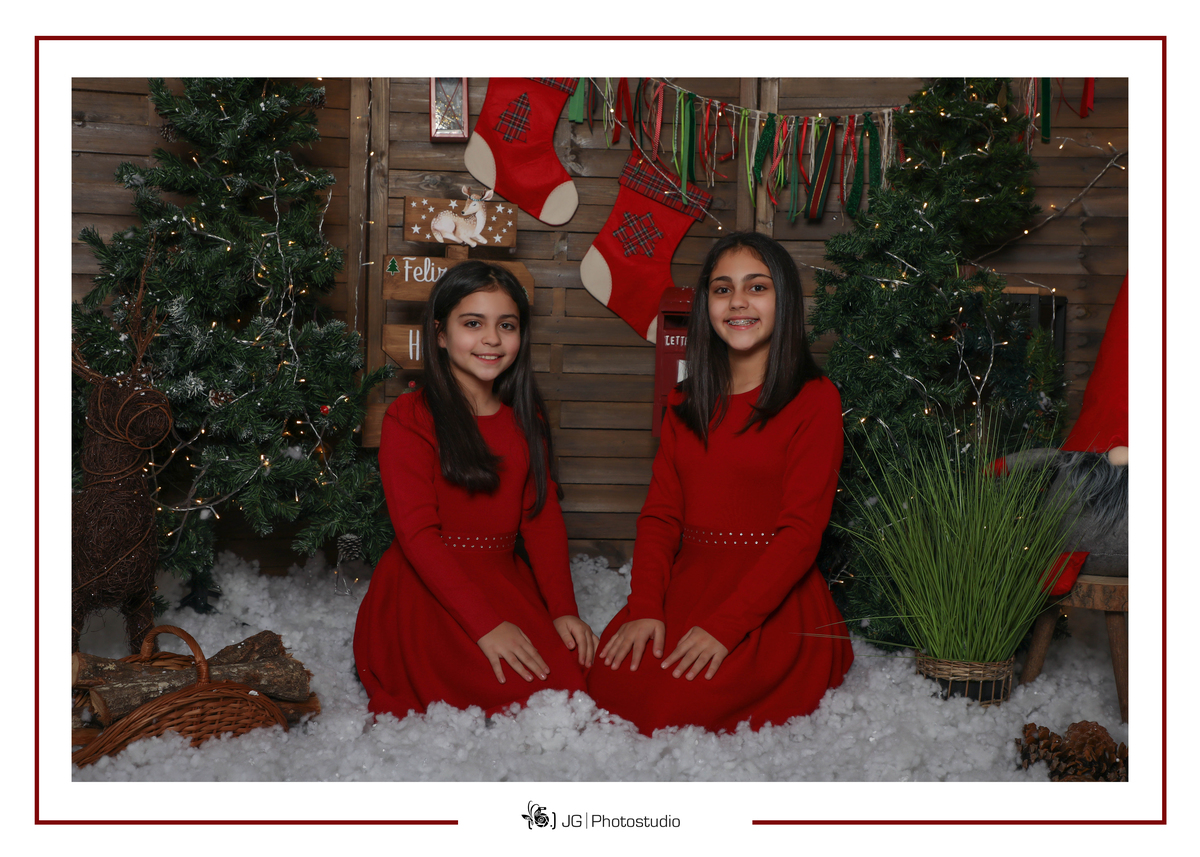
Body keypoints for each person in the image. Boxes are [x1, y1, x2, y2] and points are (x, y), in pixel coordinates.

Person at [586, 231, 854, 734]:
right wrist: (645, 607)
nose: (737, 302)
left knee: (682, 706)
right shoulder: (685, 400)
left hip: (769, 593)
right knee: (615, 681)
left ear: (784, 300)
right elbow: (661, 516)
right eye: (722, 289)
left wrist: (725, 629)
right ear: (706, 303)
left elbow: (801, 535)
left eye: (757, 287)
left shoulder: (815, 399)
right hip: (693, 581)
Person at [354, 260, 597, 721]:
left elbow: (542, 521)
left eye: (506, 325)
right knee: (496, 693)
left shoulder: (527, 419)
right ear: (440, 334)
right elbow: (417, 536)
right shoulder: (409, 417)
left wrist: (564, 611)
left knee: (568, 683)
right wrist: (487, 627)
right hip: (427, 586)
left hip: (502, 577)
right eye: (472, 324)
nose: (492, 339)